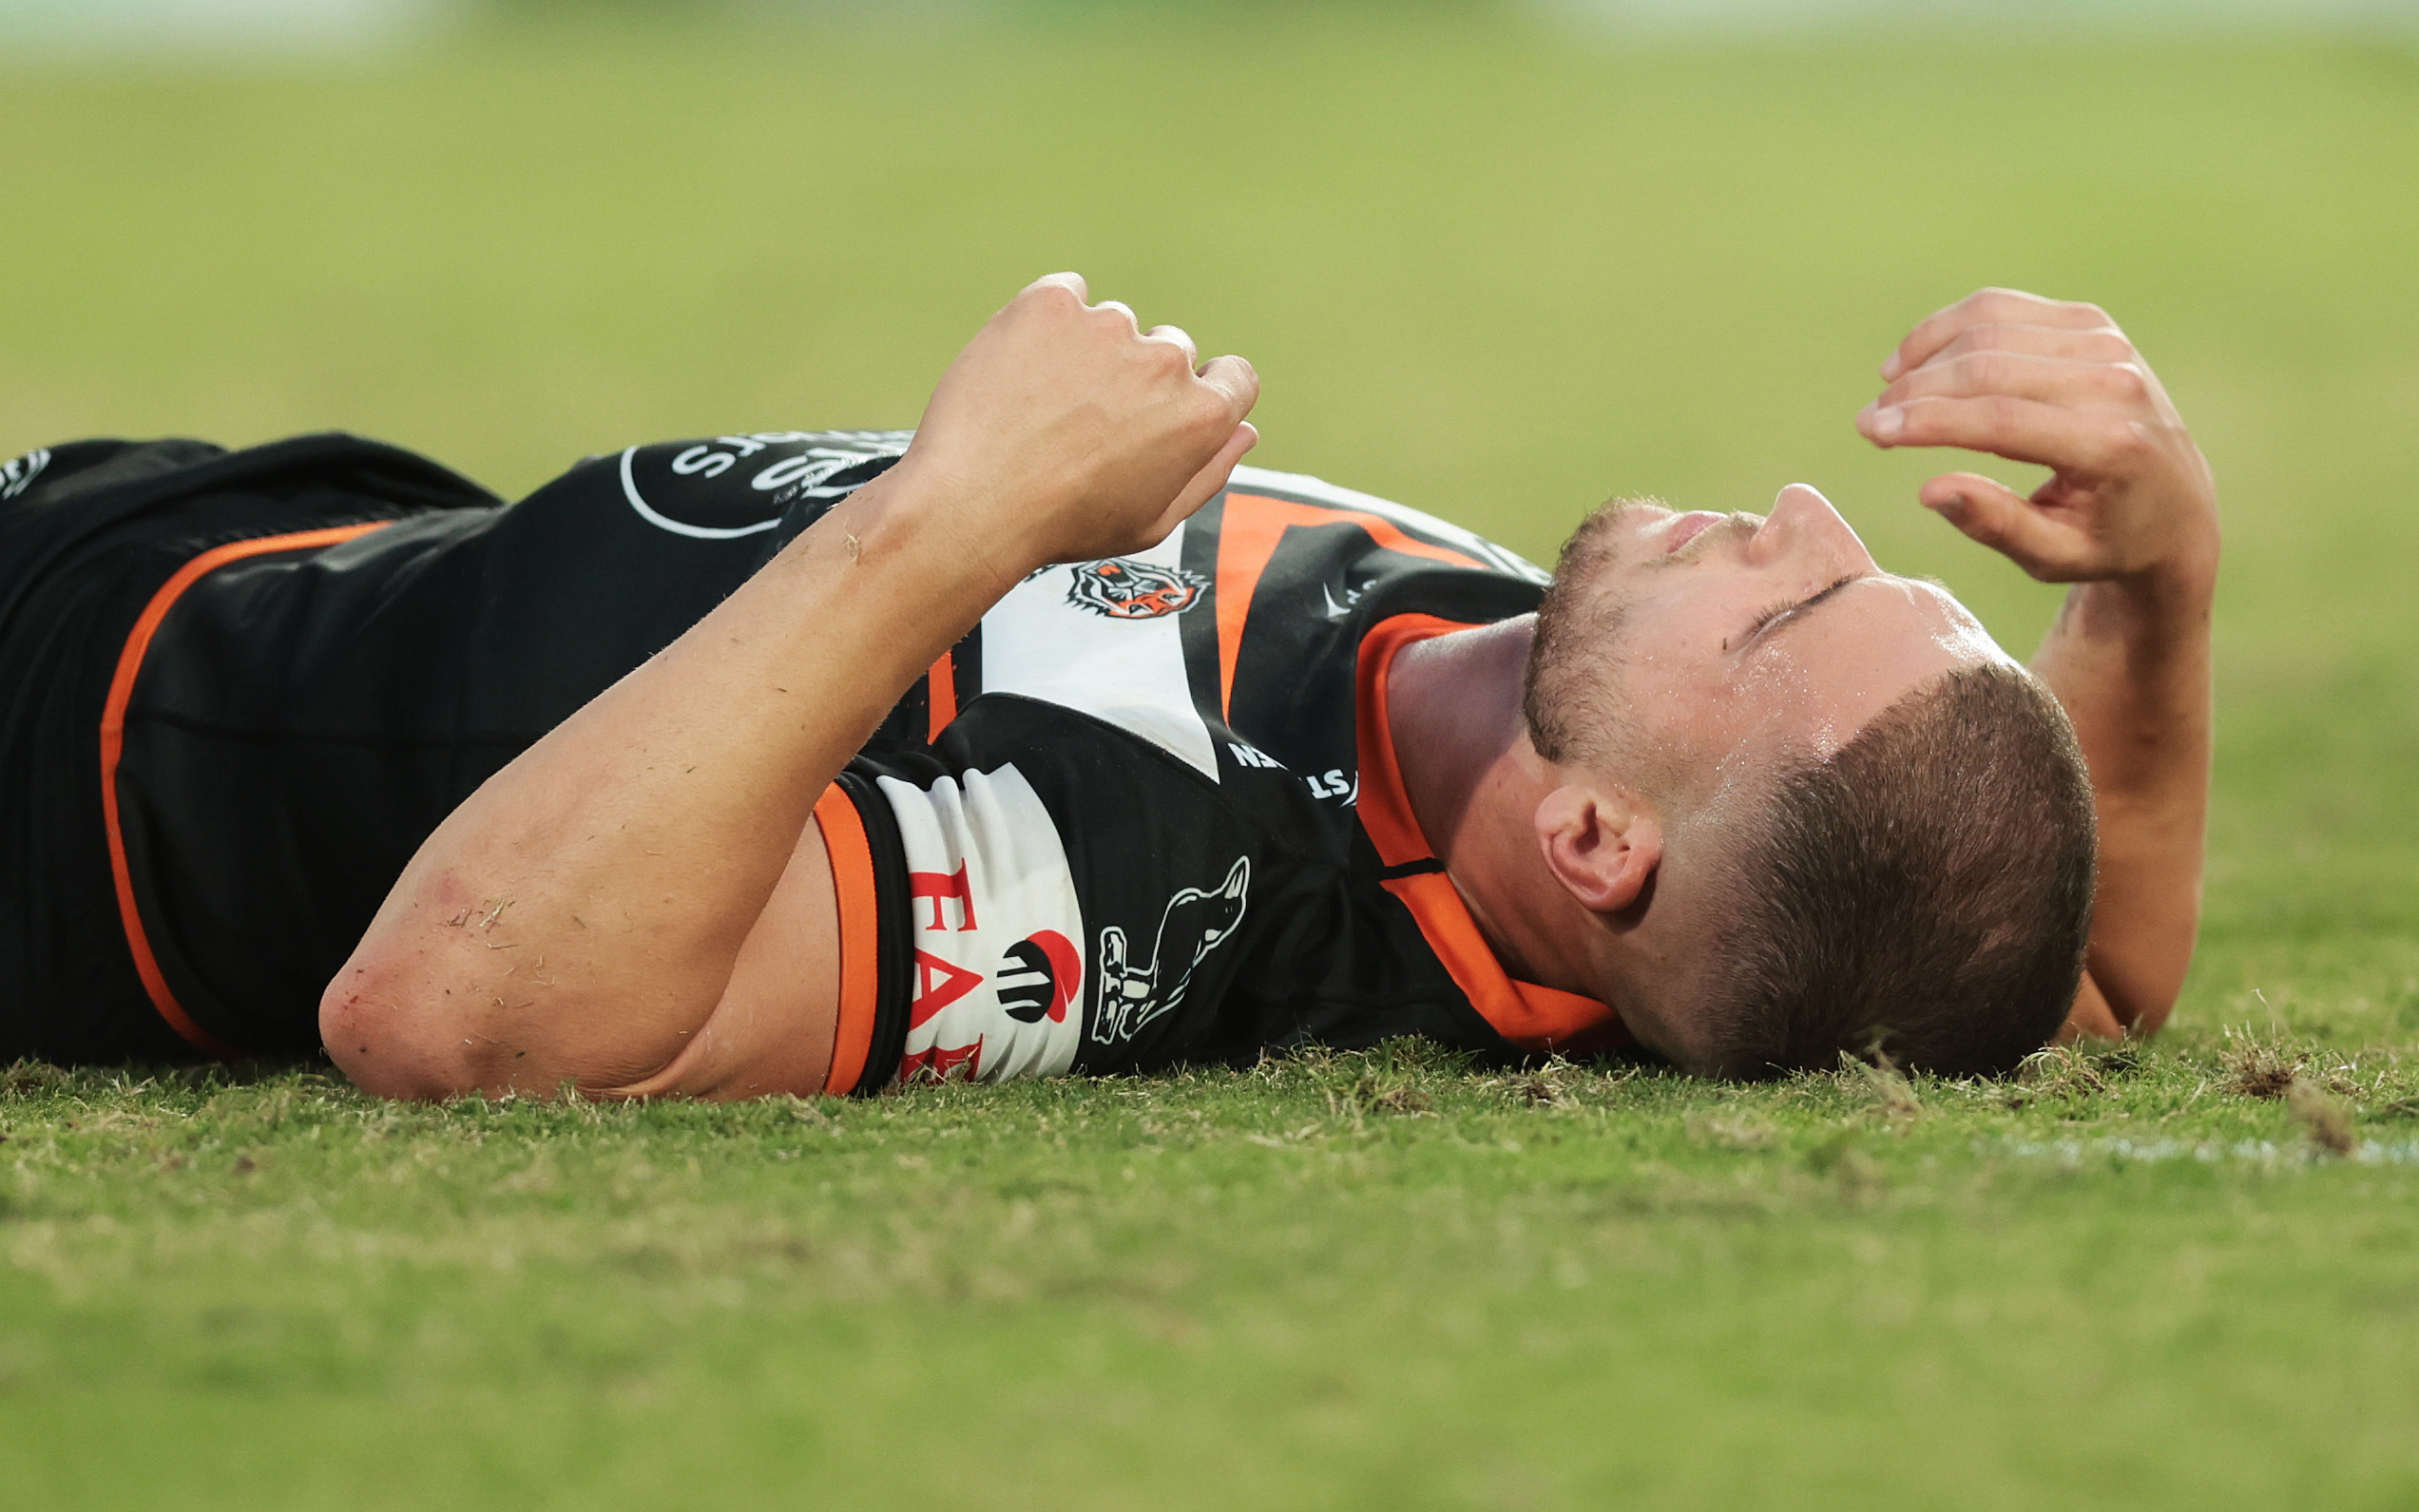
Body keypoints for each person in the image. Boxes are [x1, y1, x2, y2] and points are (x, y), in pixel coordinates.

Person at [0, 278, 2217, 1096]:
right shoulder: (1560, 698)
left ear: (1597, 844)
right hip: (252, 535)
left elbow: (456, 1013)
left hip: (69, 732)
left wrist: (943, 530)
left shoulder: (1145, 877)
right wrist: (2152, 582)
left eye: (1784, 620)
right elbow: (2061, 972)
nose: (1806, 517)